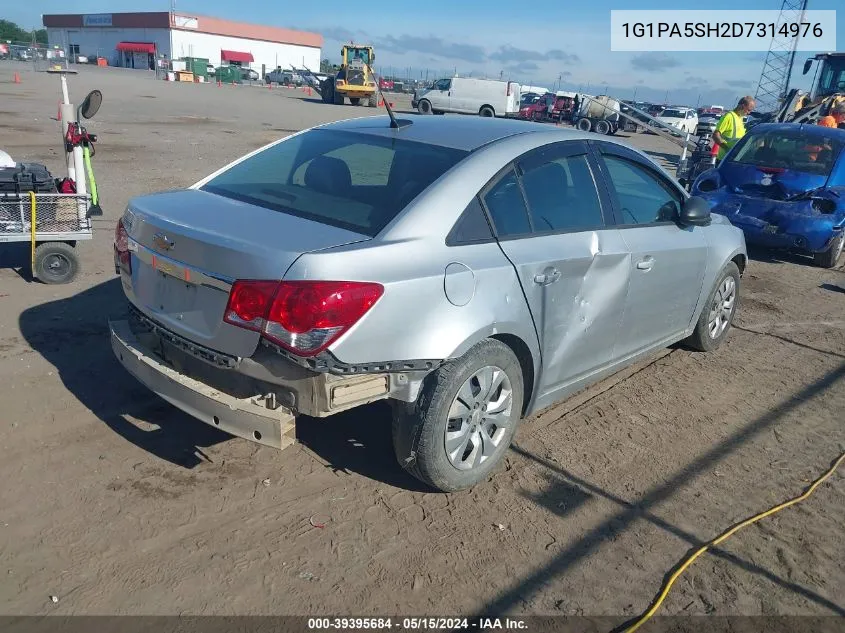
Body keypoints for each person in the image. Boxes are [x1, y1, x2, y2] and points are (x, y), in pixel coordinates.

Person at [712, 96, 756, 160]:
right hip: (724, 159)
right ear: (742, 106)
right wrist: (727, 149)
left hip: (734, 159)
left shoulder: (739, 118)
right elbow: (715, 135)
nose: (749, 113)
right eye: (748, 110)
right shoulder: (729, 116)